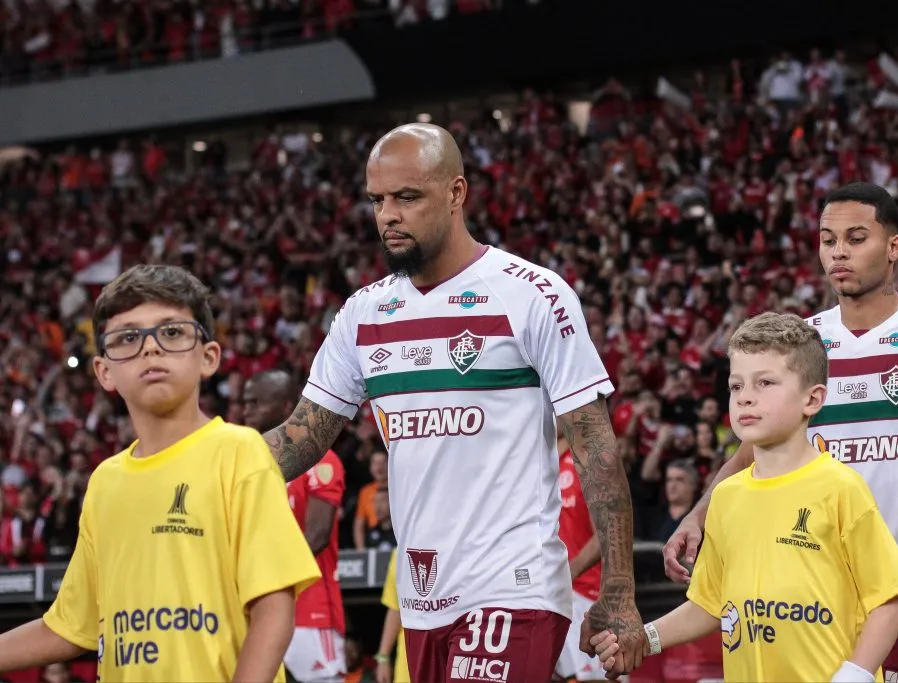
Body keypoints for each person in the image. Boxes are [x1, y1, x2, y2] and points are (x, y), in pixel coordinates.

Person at [261, 122, 645, 681]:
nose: (388, 215)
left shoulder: (530, 294)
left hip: (512, 586)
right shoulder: (365, 315)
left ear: (456, 194)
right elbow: (301, 437)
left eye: (407, 197)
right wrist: (204, 466)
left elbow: (596, 451)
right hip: (421, 599)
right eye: (378, 200)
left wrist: (619, 591)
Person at [664, 182, 898, 682]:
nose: (839, 252)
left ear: (893, 248)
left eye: (856, 238)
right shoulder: (805, 342)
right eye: (828, 240)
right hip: (811, 594)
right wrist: (699, 514)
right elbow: (749, 454)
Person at [0, 264, 320, 681]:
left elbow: (273, 610)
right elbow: (69, 627)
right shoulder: (105, 482)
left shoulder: (239, 452)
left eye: (171, 333)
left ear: (208, 358)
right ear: (104, 372)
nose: (150, 349)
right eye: (128, 338)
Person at [592, 312, 898, 682]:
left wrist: (853, 676)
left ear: (812, 400)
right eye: (736, 386)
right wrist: (644, 639)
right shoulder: (727, 497)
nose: (746, 398)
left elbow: (890, 602)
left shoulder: (840, 487)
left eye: (765, 383)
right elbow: (712, 605)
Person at [244, 369, 349, 682]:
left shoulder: (322, 462)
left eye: (256, 402)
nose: (245, 409)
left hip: (310, 611)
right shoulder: (243, 465)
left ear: (287, 406)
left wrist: (260, 572)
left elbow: (316, 536)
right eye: (244, 401)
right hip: (257, 610)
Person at [553, 432, 605, 682]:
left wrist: (566, 573)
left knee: (591, 678)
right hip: (546, 594)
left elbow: (607, 532)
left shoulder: (587, 462)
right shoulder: (537, 465)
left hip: (585, 593)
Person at [376, 550, 411, 683]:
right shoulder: (400, 551)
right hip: (409, 656)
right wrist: (383, 657)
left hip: (450, 650)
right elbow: (395, 608)